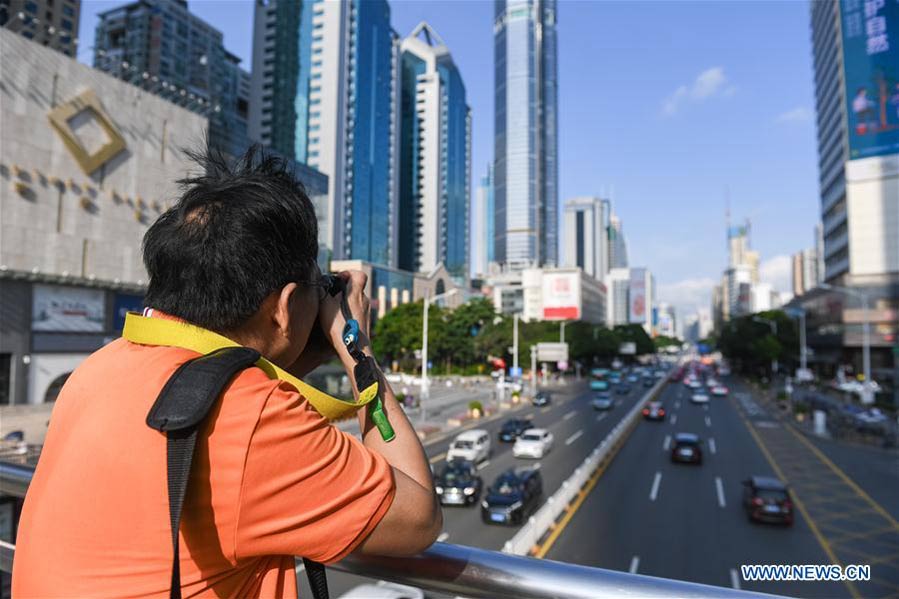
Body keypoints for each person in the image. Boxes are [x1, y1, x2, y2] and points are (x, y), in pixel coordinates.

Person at [12, 146, 442, 597]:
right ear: (285, 305)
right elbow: (419, 518)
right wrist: (355, 343)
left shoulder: (100, 368)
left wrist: (299, 341)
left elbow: (217, 372)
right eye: (315, 292)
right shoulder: (255, 417)